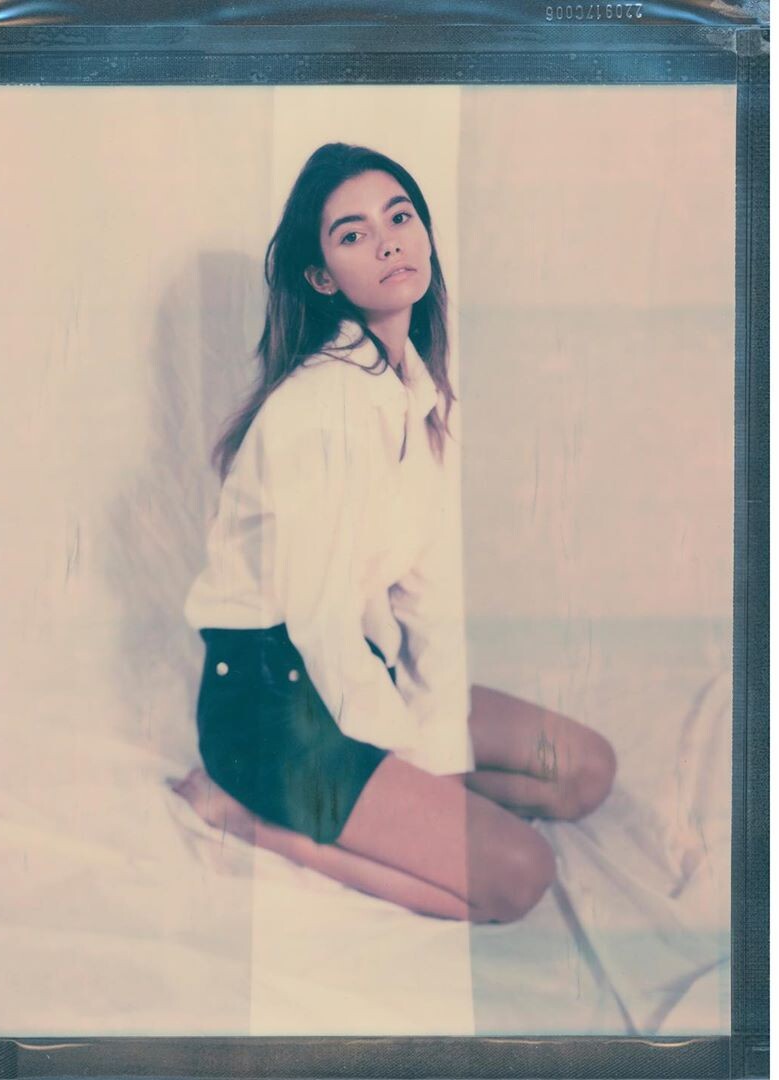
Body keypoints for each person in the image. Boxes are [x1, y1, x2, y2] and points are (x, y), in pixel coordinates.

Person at [169, 143, 615, 925]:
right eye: (353, 234)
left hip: (364, 665)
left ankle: (398, 816)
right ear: (322, 277)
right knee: (518, 874)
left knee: (583, 771)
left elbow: (427, 594)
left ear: (426, 235)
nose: (387, 242)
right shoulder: (318, 409)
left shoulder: (420, 390)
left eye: (399, 217)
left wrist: (438, 748)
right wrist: (411, 765)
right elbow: (318, 624)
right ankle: (245, 814)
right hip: (273, 706)